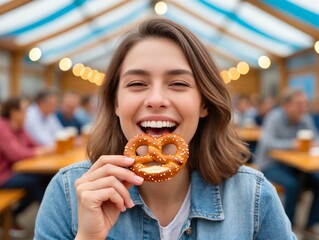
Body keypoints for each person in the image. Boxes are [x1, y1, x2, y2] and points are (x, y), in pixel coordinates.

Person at [35, 18, 295, 239]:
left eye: (178, 83)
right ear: (116, 102)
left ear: (204, 103)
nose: (156, 99)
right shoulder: (68, 192)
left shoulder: (254, 196)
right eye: (137, 83)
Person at [255, 88, 319, 237]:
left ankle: (310, 224)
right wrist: (292, 144)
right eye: (298, 104)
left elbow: (315, 137)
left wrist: (313, 143)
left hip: (294, 165)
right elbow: (267, 142)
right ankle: (286, 228)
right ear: (286, 105)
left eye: (304, 104)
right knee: (293, 185)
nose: (303, 108)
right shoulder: (274, 117)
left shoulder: (305, 118)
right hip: (269, 163)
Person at [0, 97, 54, 237]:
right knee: (36, 182)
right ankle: (51, 221)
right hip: (3, 176)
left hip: (13, 172)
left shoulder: (19, 127)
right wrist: (40, 151)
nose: (27, 115)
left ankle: (13, 216)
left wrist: (46, 149)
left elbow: (33, 144)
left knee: (43, 179)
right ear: (13, 112)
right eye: (24, 111)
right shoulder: (2, 126)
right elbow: (15, 154)